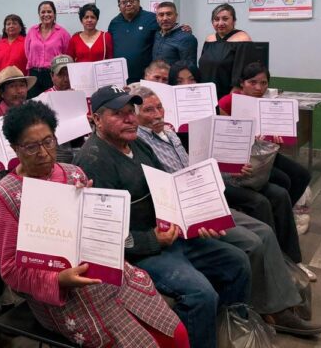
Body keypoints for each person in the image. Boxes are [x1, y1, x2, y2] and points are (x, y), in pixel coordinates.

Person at [0, 101, 187, 348]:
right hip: (63, 294)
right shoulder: (6, 196)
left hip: (108, 275)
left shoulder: (74, 174)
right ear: (14, 148)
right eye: (31, 147)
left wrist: (97, 212)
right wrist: (59, 279)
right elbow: (10, 270)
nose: (43, 153)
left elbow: (105, 235)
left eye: (48, 142)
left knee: (177, 335)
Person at [131, 84, 321, 337]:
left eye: (159, 107)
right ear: (134, 115)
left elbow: (193, 166)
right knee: (252, 242)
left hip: (204, 197)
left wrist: (225, 171)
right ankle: (271, 309)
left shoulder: (169, 132)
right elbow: (167, 185)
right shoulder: (141, 141)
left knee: (264, 231)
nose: (157, 114)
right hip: (186, 209)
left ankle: (278, 305)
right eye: (148, 110)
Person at [73, 85, 251, 348]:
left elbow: (167, 188)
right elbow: (105, 237)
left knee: (238, 262)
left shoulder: (138, 144)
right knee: (200, 294)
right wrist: (153, 240)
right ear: (96, 119)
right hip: (140, 253)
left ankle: (230, 334)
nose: (130, 118)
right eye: (118, 114)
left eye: (131, 111)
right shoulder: (94, 161)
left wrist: (197, 219)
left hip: (171, 236)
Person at [218, 62, 315, 279]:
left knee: (298, 176)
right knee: (281, 183)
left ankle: (288, 239)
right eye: (253, 82)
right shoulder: (228, 101)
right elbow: (226, 138)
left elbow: (287, 140)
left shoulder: (268, 104)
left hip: (264, 154)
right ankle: (281, 229)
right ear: (242, 83)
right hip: (243, 159)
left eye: (263, 83)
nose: (258, 87)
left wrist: (275, 137)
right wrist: (248, 138)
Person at [198, 4, 255, 98]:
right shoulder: (209, 39)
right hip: (206, 94)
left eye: (225, 19)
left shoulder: (243, 40)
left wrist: (229, 101)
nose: (220, 23)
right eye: (216, 19)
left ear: (234, 21)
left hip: (227, 96)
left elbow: (241, 77)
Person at [108, 0, 158, 83]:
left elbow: (166, 33)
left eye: (131, 1)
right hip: (121, 78)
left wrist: (181, 29)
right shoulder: (114, 23)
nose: (128, 4)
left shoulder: (152, 19)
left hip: (146, 78)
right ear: (119, 7)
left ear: (138, 2)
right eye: (124, 2)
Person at [25, 1, 70, 97]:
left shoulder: (62, 33)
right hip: (34, 74)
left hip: (53, 75)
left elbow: (67, 55)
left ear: (54, 14)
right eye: (43, 12)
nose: (46, 14)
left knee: (53, 104)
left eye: (49, 12)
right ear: (39, 14)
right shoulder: (32, 31)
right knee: (34, 105)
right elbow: (27, 52)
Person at [151, 2, 198, 67]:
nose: (165, 18)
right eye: (161, 15)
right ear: (157, 18)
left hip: (174, 77)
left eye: (169, 14)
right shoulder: (156, 34)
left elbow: (189, 68)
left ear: (176, 16)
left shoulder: (186, 38)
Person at [0, 13, 27, 83]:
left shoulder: (26, 42)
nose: (11, 26)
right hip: (1, 83)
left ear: (20, 28)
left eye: (14, 23)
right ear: (5, 29)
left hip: (21, 82)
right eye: (8, 24)